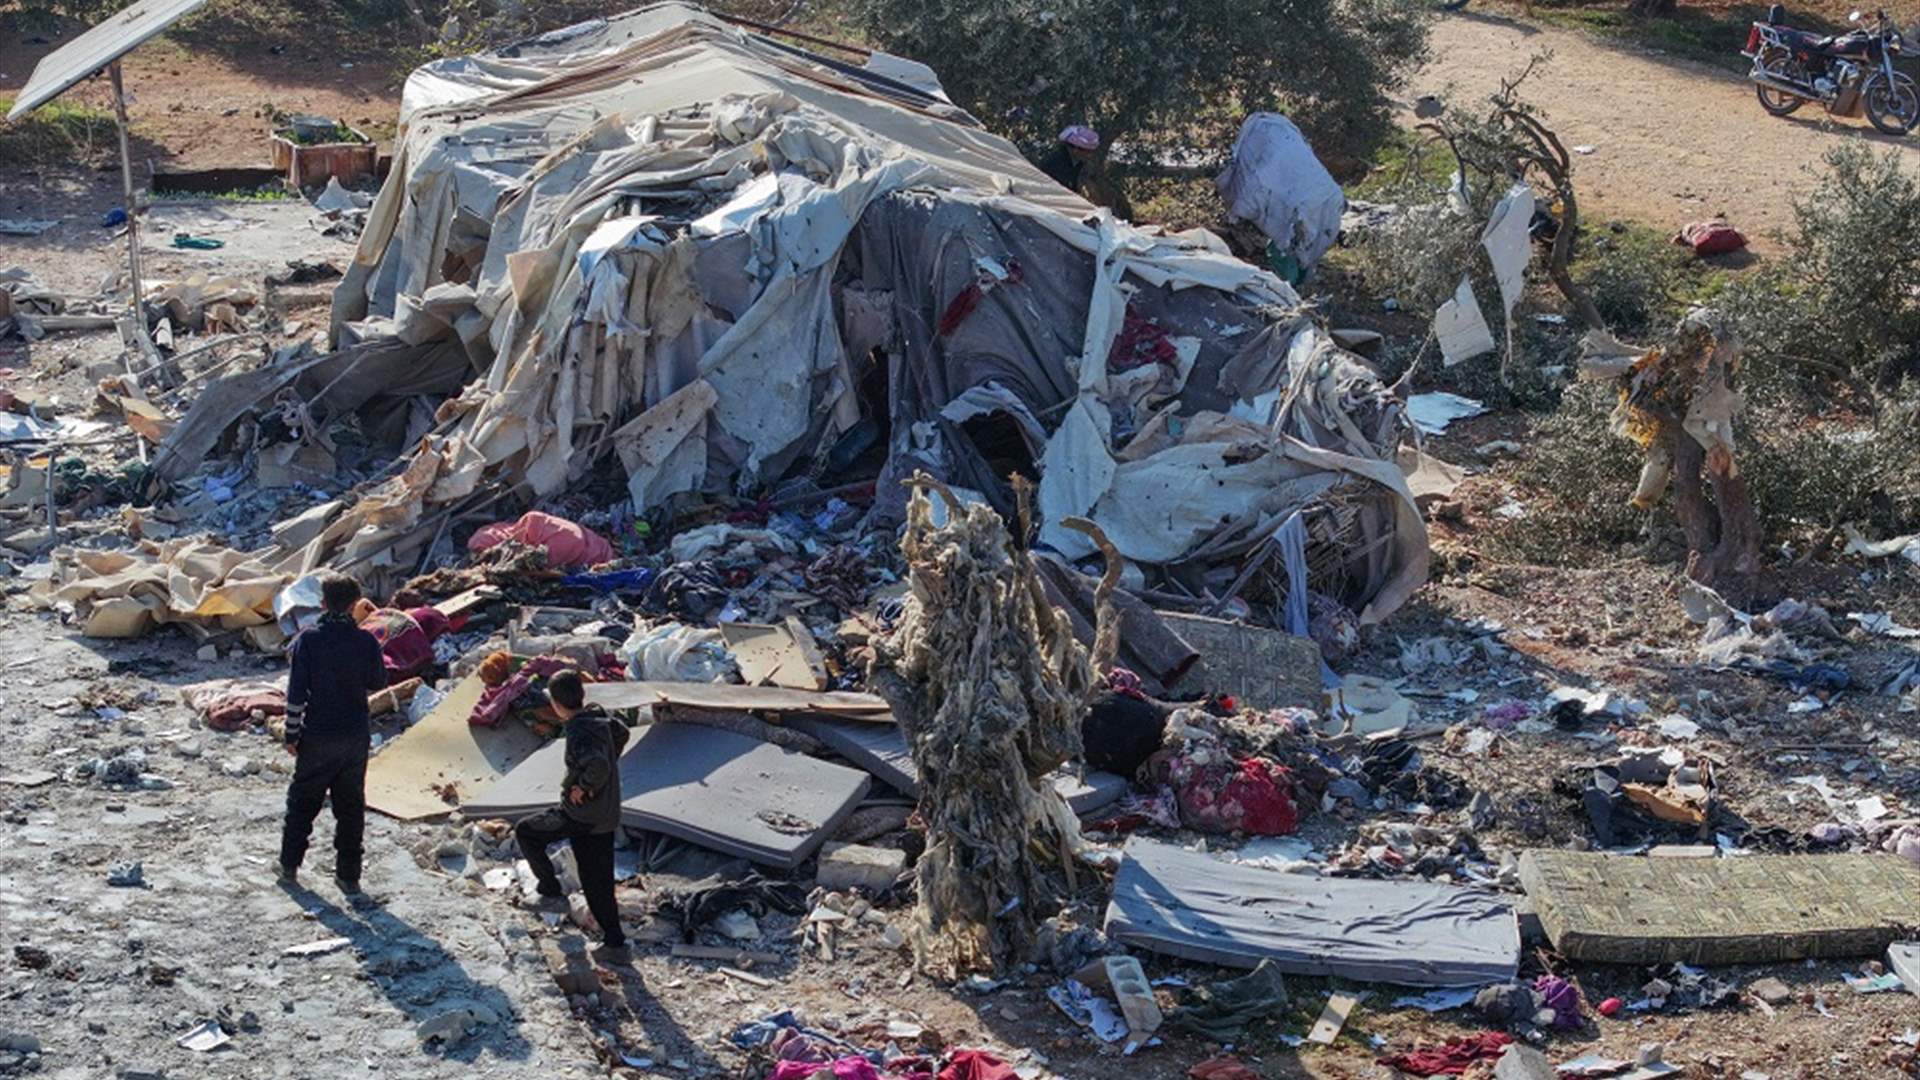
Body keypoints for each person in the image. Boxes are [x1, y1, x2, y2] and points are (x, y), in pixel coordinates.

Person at [513, 669, 631, 961]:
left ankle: (551, 891)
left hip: (583, 815)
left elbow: (597, 765)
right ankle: (616, 945)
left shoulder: (580, 729)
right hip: (604, 814)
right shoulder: (599, 717)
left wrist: (583, 786)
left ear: (556, 702)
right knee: (598, 882)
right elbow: (622, 732)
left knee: (527, 831)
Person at [278, 574, 386, 895]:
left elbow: (296, 695)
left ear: (322, 603)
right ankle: (349, 877)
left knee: (302, 802)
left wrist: (291, 735)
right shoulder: (366, 642)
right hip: (354, 736)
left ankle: (289, 866)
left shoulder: (307, 641)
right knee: (351, 807)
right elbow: (378, 682)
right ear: (355, 606)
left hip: (318, 735)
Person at [1037, 124, 1134, 220]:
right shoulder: (1055, 163)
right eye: (1086, 151)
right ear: (1074, 149)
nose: (1089, 155)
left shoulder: (1077, 163)